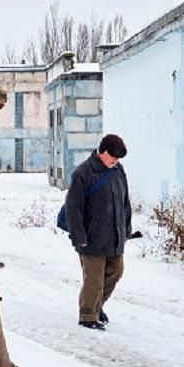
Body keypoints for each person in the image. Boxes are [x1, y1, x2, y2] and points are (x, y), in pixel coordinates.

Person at [64, 134, 132, 331]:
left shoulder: (118, 171)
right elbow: (73, 208)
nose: (115, 161)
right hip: (91, 237)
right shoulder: (83, 173)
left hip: (114, 235)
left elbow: (124, 202)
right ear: (102, 152)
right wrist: (79, 236)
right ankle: (87, 315)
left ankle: (96, 306)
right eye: (113, 157)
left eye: (118, 159)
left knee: (116, 271)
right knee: (94, 278)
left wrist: (125, 228)